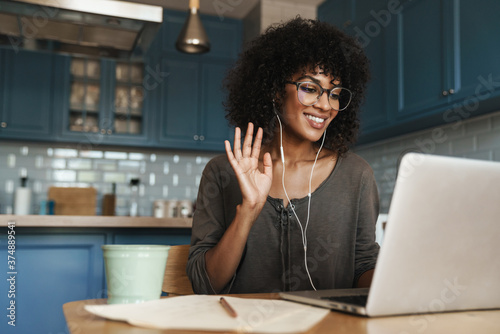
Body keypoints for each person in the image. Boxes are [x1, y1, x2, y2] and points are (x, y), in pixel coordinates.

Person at [187, 16, 379, 294]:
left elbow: (364, 266)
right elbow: (205, 285)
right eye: (310, 88)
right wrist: (248, 213)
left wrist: (400, 283)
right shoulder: (223, 172)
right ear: (276, 91)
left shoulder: (356, 175)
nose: (325, 105)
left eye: (335, 93)